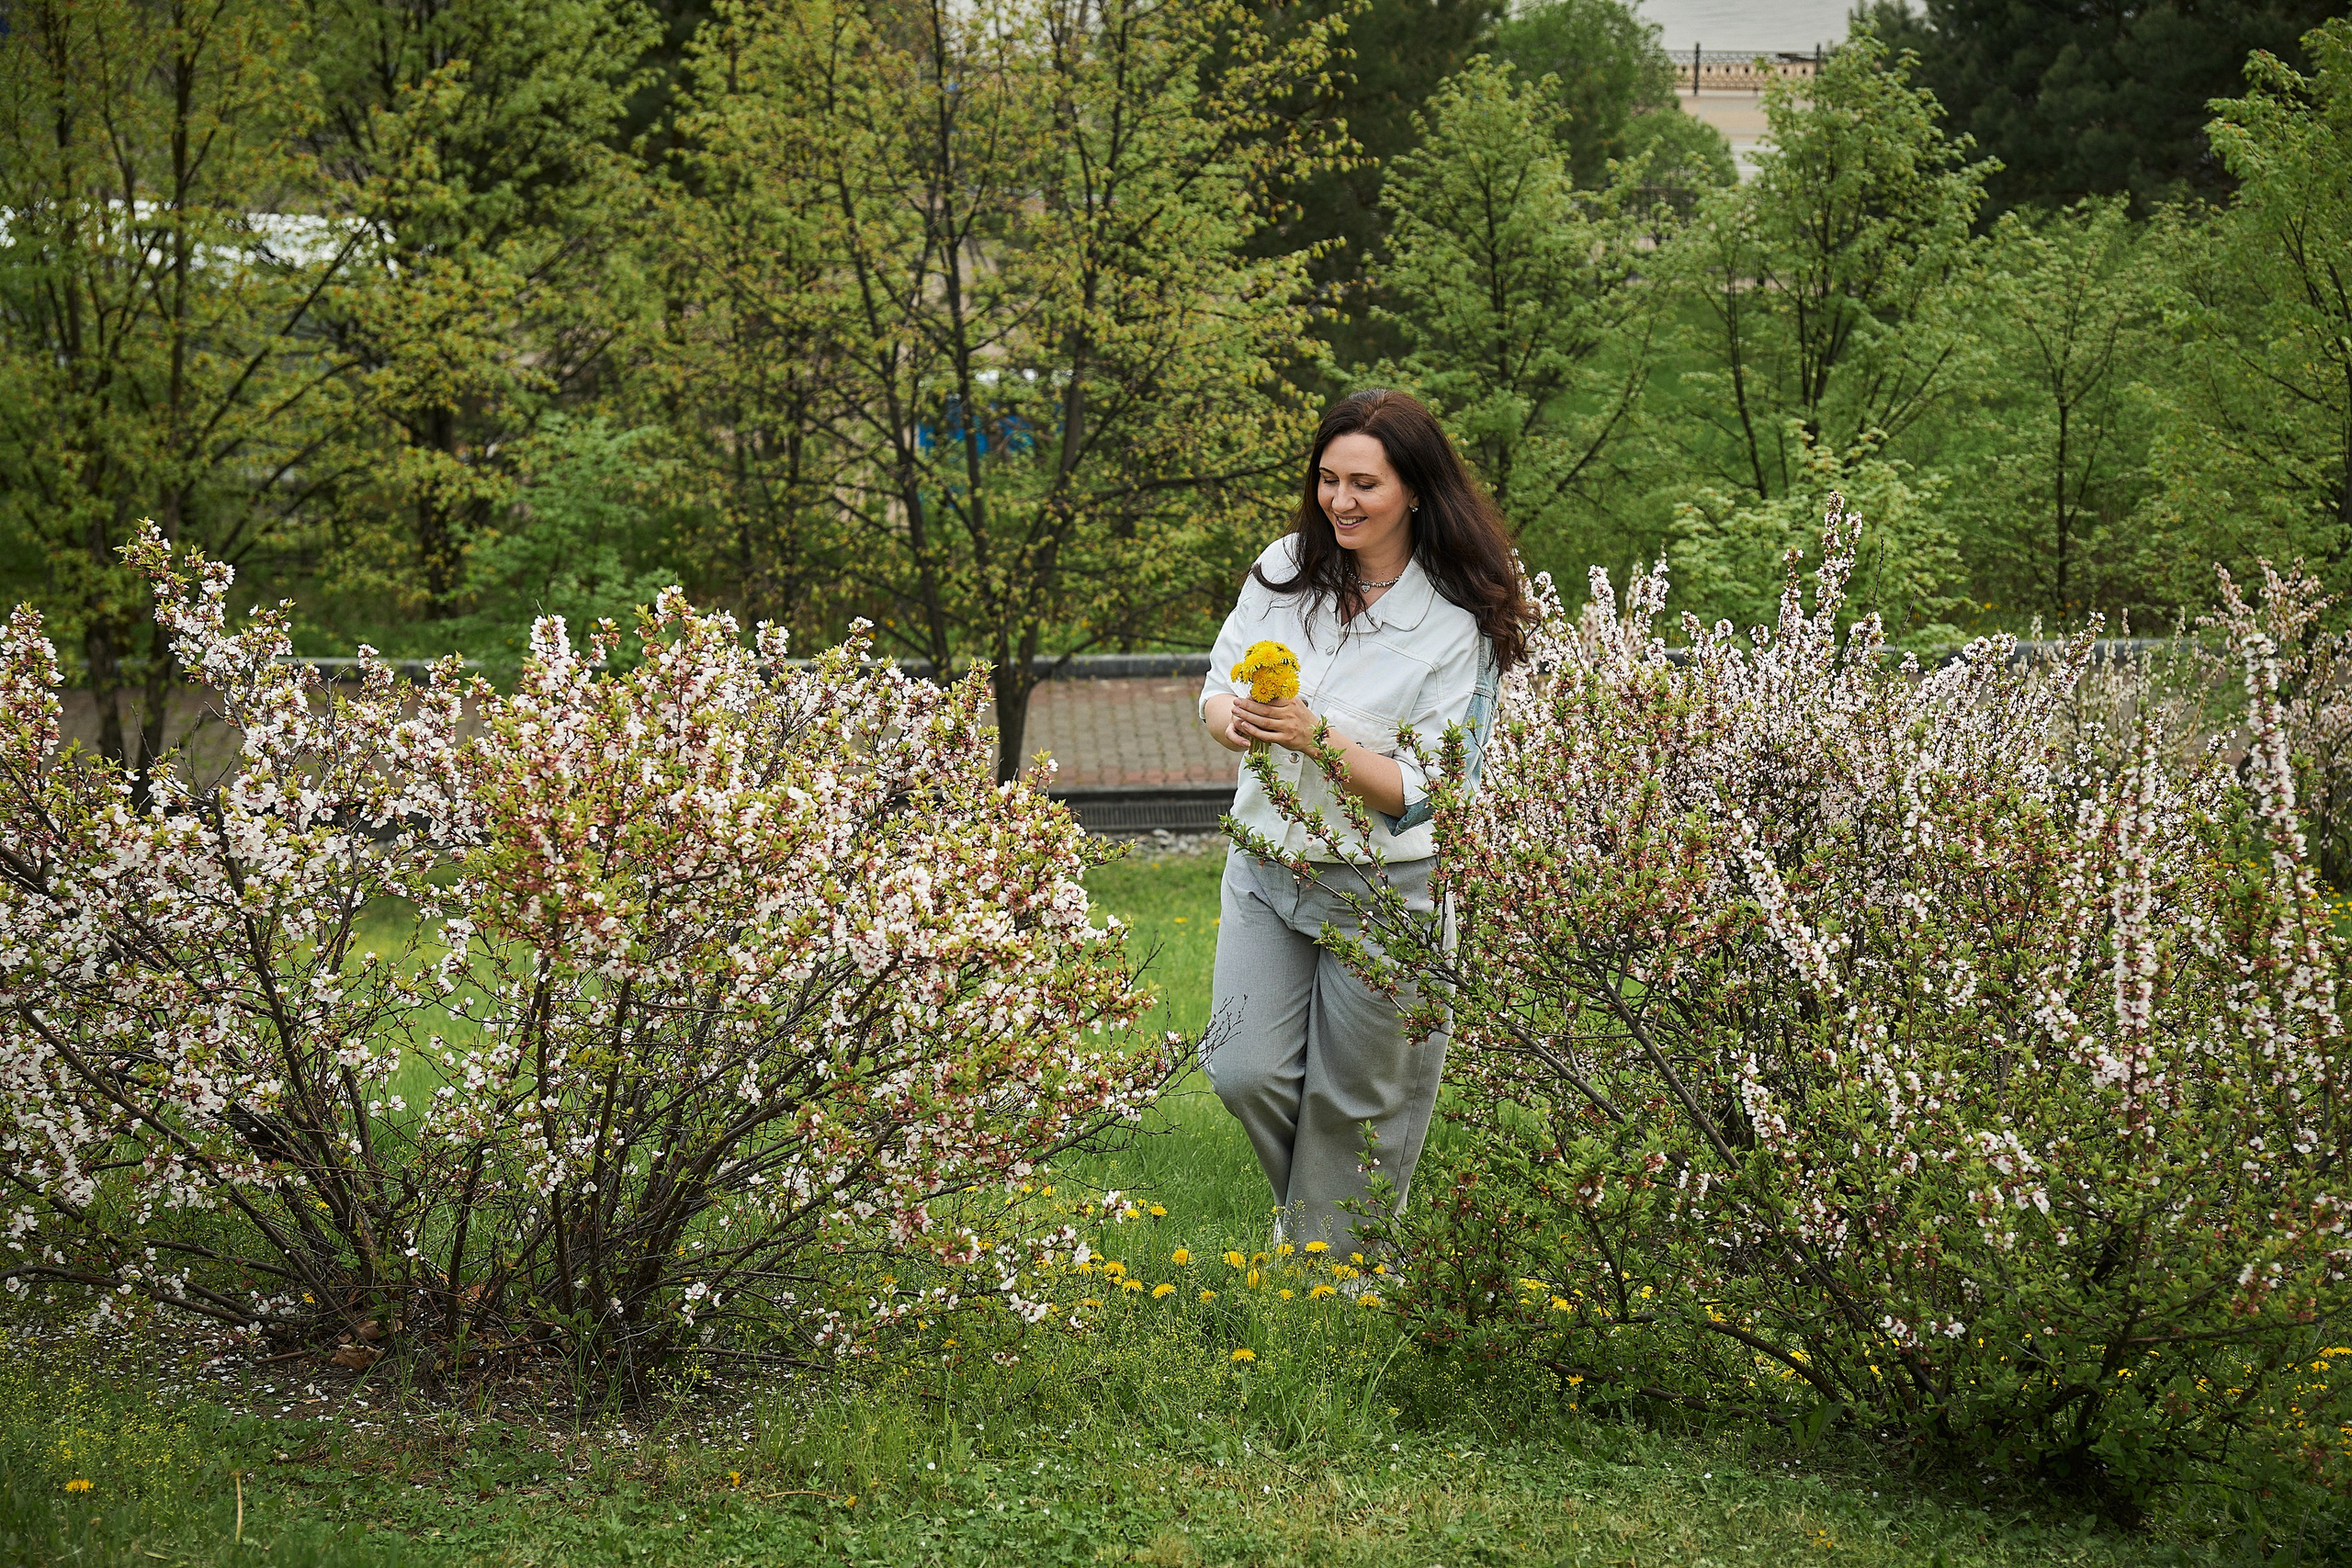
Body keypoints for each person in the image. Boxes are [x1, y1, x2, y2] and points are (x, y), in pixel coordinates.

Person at [1198, 388, 1533, 1255]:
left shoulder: (1457, 621)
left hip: (1388, 891)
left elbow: (1431, 792)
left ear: (1415, 490)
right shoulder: (1283, 569)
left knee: (1355, 1104)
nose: (1340, 502)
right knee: (1242, 1070)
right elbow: (1215, 684)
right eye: (1327, 479)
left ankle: (1333, 1283)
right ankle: (1328, 1233)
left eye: (1364, 484)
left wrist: (1319, 737)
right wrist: (1233, 717)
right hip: (1268, 865)